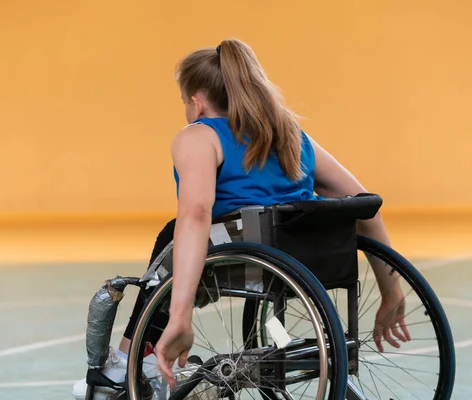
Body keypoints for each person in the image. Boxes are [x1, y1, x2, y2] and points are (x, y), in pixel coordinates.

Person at [72, 38, 410, 399]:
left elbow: (197, 215)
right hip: (307, 260)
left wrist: (180, 316)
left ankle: (128, 362)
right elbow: (361, 202)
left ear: (196, 101)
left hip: (243, 257)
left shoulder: (199, 136)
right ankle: (138, 357)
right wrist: (391, 289)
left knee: (172, 235)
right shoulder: (291, 136)